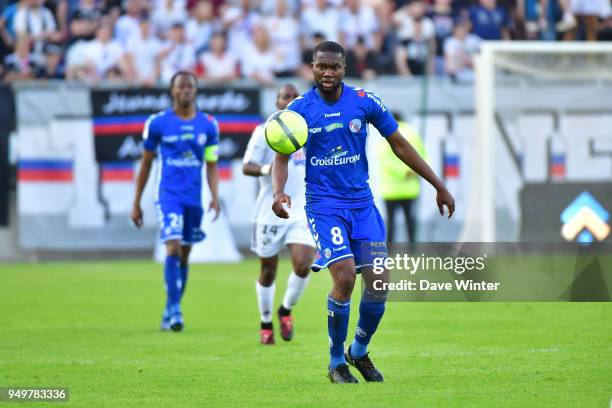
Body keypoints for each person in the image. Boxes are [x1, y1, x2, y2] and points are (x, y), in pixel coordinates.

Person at [271, 41, 455, 383]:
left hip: (362, 205)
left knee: (380, 282)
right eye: (321, 66)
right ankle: (335, 361)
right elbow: (281, 156)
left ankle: (358, 350)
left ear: (344, 68)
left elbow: (399, 144)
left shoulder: (364, 102)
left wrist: (438, 185)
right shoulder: (298, 110)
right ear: (312, 67)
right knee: (343, 277)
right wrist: (279, 191)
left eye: (334, 67)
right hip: (324, 206)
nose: (328, 73)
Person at [131, 71, 221, 332]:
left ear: (195, 91)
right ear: (172, 91)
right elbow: (146, 164)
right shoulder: (157, 123)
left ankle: (170, 308)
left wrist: (215, 196)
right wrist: (136, 202)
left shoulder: (208, 124)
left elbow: (211, 164)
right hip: (168, 195)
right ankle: (175, 310)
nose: (185, 91)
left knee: (184, 254)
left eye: (190, 87)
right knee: (172, 247)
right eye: (180, 86)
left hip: (194, 197)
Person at [242, 84, 316, 345]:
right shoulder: (264, 131)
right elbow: (246, 166)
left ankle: (285, 310)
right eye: (285, 96)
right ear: (276, 102)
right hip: (269, 211)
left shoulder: (309, 128)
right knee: (268, 271)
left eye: (295, 96)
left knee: (303, 264)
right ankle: (265, 322)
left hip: (302, 210)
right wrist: (267, 169)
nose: (290, 100)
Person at [377, 112, 427, 243]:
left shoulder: (386, 134)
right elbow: (423, 154)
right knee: (410, 220)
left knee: (391, 222)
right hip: (410, 188)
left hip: (391, 190)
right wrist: (411, 171)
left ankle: (391, 251)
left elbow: (385, 159)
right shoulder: (413, 133)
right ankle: (412, 249)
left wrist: (401, 172)